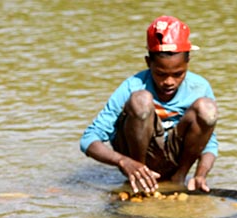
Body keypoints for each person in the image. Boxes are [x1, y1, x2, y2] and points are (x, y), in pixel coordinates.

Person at [80, 15, 219, 194]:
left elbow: (209, 142)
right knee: (142, 100)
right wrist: (124, 161)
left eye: (178, 74)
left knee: (207, 109)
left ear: (187, 63)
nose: (169, 82)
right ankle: (140, 175)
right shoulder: (133, 85)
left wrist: (201, 174)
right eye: (161, 74)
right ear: (148, 63)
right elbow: (89, 139)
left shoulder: (199, 87)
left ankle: (178, 178)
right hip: (136, 157)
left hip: (174, 160)